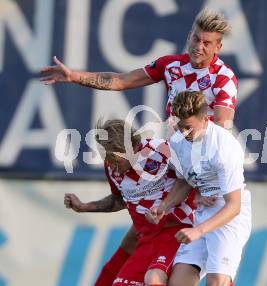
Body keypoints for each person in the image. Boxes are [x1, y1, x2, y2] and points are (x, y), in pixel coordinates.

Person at [44, 8, 239, 285]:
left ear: (218, 46)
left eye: (207, 42)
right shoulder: (171, 65)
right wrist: (75, 76)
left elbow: (221, 133)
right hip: (179, 163)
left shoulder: (223, 79)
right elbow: (123, 81)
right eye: (196, 38)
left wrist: (200, 184)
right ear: (189, 36)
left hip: (205, 180)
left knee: (205, 273)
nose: (198, 46)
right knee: (142, 230)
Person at [65, 119, 197, 286]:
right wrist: (84, 207)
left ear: (134, 146)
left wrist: (164, 206)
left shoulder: (161, 150)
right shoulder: (112, 168)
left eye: (117, 159)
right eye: (108, 156)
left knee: (155, 279)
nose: (112, 163)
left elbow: (190, 177)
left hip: (176, 231)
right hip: (147, 238)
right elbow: (119, 200)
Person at [146, 91, 252, 286]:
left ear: (205, 120)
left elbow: (234, 206)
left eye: (188, 127)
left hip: (228, 218)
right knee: (178, 282)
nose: (184, 132)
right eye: (180, 127)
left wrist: (198, 231)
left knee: (217, 281)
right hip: (203, 214)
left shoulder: (223, 147)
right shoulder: (178, 142)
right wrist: (164, 206)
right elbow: (185, 181)